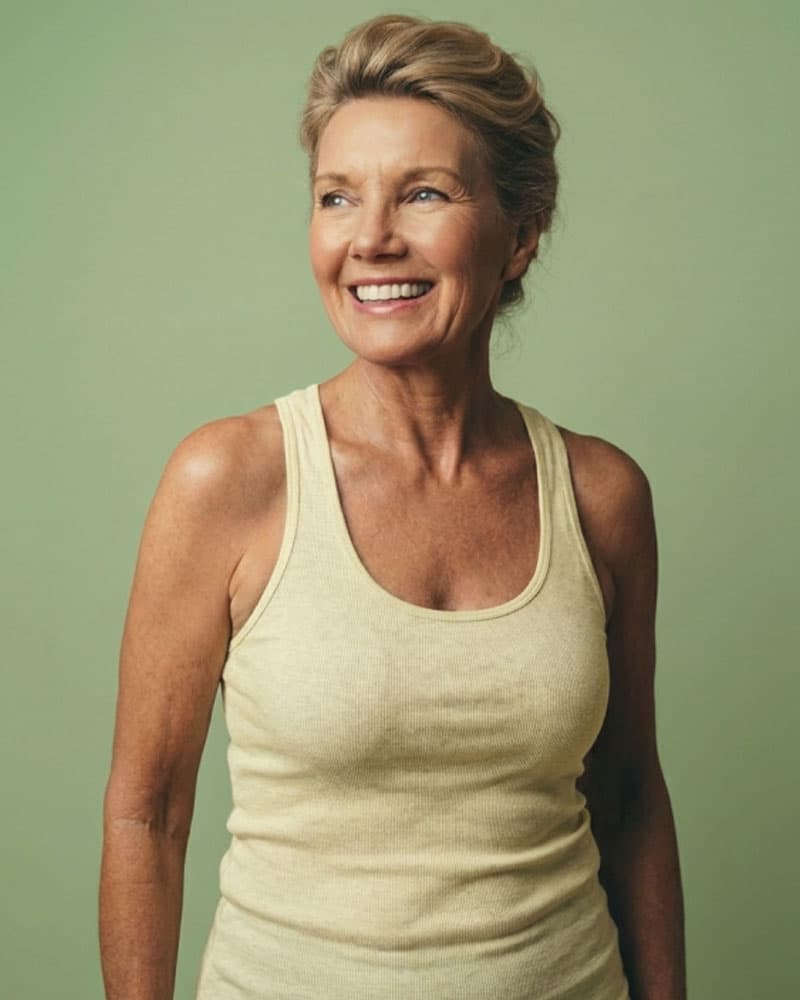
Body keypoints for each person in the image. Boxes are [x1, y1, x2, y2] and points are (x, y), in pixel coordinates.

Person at [99, 13, 686, 1000]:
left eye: (422, 193)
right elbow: (146, 812)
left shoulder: (599, 495)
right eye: (336, 197)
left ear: (519, 235)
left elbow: (627, 799)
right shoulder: (231, 480)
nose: (369, 238)